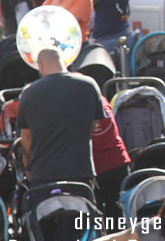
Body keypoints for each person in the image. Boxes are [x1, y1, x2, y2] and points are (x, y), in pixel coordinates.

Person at [19, 48, 104, 184]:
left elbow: (27, 138)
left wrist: (27, 167)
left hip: (43, 174)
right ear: (64, 61)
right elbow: (93, 125)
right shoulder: (89, 85)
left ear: (40, 65)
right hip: (81, 171)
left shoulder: (29, 93)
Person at [91, 92, 130, 219]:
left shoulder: (81, 104)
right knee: (118, 214)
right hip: (118, 160)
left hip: (98, 167)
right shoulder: (101, 100)